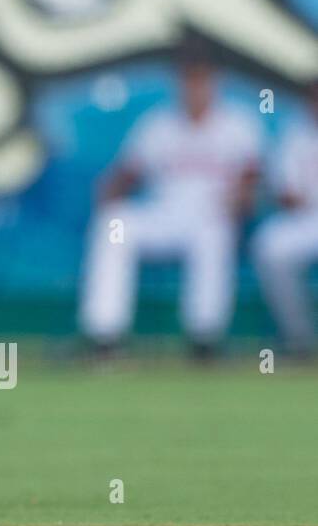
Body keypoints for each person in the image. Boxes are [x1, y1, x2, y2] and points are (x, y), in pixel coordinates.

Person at [78, 51, 263, 356]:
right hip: (163, 212)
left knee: (214, 232)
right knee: (114, 223)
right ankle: (104, 335)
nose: (194, 88)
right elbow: (127, 173)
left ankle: (205, 338)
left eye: (201, 80)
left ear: (214, 83)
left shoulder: (238, 124)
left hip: (210, 213)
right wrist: (108, 194)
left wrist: (241, 200)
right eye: (188, 80)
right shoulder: (158, 124)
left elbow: (252, 179)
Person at [251, 80, 318, 355]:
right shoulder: (296, 134)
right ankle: (299, 338)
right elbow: (285, 193)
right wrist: (289, 196)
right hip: (307, 220)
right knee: (270, 245)